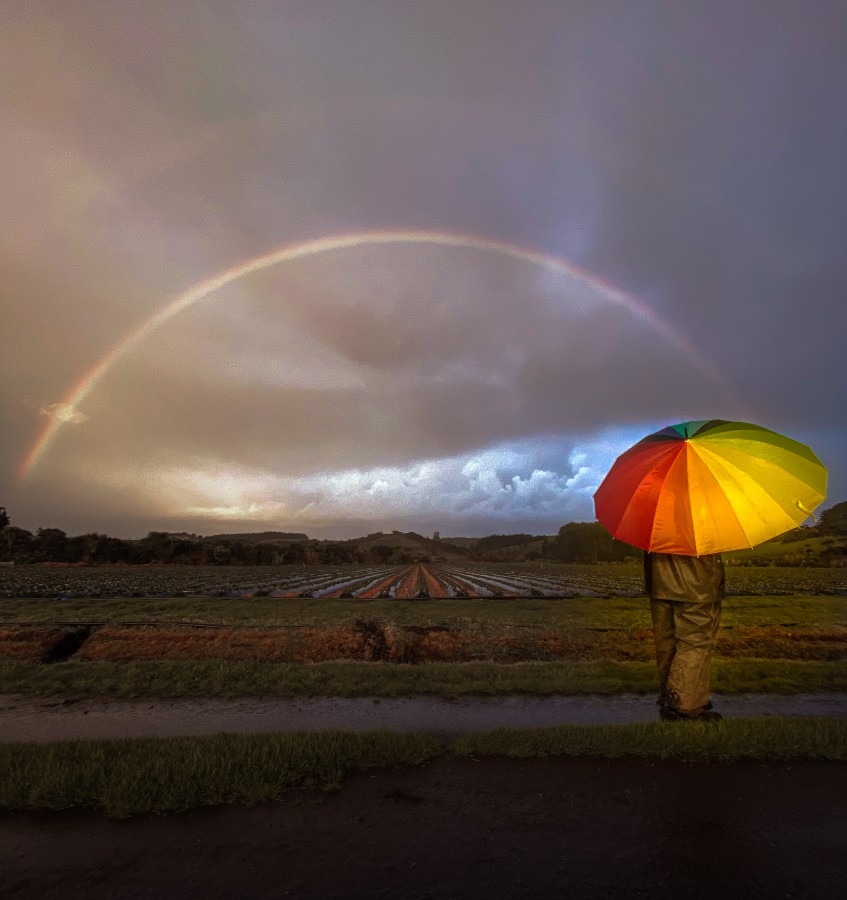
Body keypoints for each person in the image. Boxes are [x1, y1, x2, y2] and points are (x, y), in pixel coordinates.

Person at [643, 550, 725, 721]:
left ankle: (674, 696)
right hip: (697, 586)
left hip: (660, 582)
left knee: (667, 643)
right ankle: (685, 704)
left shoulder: (657, 523)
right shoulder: (703, 522)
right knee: (695, 642)